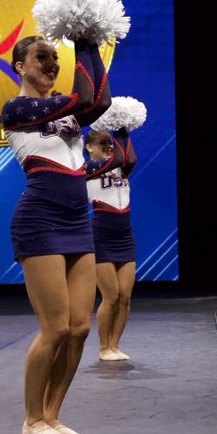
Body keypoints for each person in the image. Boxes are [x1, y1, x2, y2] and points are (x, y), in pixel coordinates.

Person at [4, 33, 110, 434]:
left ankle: (51, 414)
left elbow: (98, 100)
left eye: (55, 57)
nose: (50, 64)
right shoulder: (17, 109)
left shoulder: (66, 112)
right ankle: (32, 419)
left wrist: (92, 42)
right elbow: (86, 98)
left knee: (80, 327)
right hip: (40, 221)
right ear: (20, 66)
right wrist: (81, 42)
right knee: (55, 329)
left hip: (77, 223)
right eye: (41, 57)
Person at [84, 127, 138, 361]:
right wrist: (118, 130)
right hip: (102, 235)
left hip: (125, 235)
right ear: (89, 148)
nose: (108, 148)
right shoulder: (87, 170)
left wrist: (122, 129)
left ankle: (115, 345)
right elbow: (120, 156)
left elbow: (130, 158)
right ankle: (104, 347)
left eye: (110, 144)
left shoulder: (121, 169)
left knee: (125, 295)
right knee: (111, 295)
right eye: (102, 144)